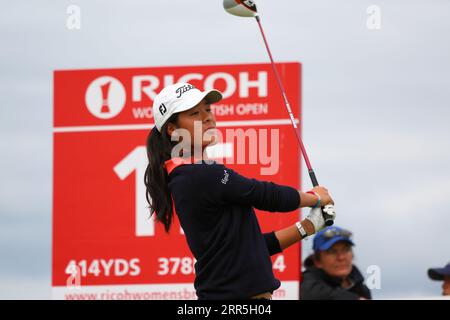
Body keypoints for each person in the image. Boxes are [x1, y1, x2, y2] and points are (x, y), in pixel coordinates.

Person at [144, 82, 335, 300]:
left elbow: (252, 247)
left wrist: (308, 226)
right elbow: (264, 195)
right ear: (172, 129)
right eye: (195, 113)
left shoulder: (188, 175)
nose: (207, 117)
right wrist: (314, 198)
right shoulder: (199, 174)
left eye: (208, 109)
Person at [300, 226, 371, 300]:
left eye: (346, 250)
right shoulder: (309, 284)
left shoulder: (362, 290)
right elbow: (311, 294)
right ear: (317, 261)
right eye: (332, 252)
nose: (341, 257)